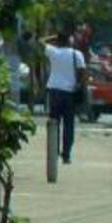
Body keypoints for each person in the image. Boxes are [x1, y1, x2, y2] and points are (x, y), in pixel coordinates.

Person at [43, 33, 86, 164]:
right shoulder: (77, 54)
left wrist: (52, 37)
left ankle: (53, 152)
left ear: (58, 41)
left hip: (54, 91)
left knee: (54, 123)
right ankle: (66, 155)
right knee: (69, 125)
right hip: (69, 92)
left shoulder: (52, 51)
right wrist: (78, 86)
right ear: (70, 40)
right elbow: (83, 73)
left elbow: (39, 42)